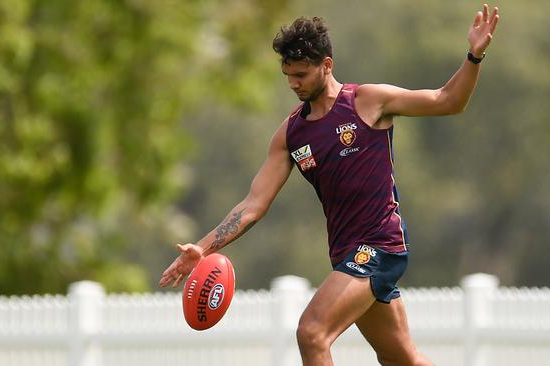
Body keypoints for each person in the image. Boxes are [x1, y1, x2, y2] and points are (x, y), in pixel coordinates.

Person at [160, 4, 499, 365]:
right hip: (345, 256)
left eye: (301, 74)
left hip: (379, 247)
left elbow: (448, 101)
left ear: (327, 65)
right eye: (288, 75)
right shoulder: (291, 134)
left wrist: (473, 56)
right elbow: (253, 205)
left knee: (312, 332)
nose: (293, 83)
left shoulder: (367, 102)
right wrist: (203, 247)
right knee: (402, 359)